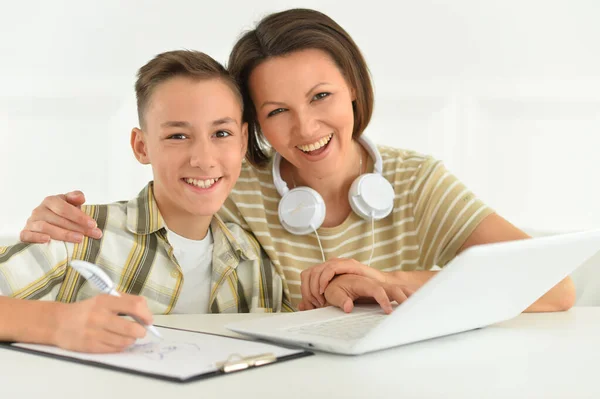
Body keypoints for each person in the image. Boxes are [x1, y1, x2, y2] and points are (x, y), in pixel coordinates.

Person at [16, 9, 575, 314]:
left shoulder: (417, 181)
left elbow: (556, 288)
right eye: (277, 110)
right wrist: (52, 224)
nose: (306, 129)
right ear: (254, 125)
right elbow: (158, 207)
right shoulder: (228, 185)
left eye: (321, 97)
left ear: (354, 87)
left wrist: (394, 281)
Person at [0, 50, 293, 354]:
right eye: (178, 136)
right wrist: (58, 324)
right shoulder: (79, 234)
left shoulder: (257, 264)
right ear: (142, 147)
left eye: (221, 133)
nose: (204, 160)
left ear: (243, 141)